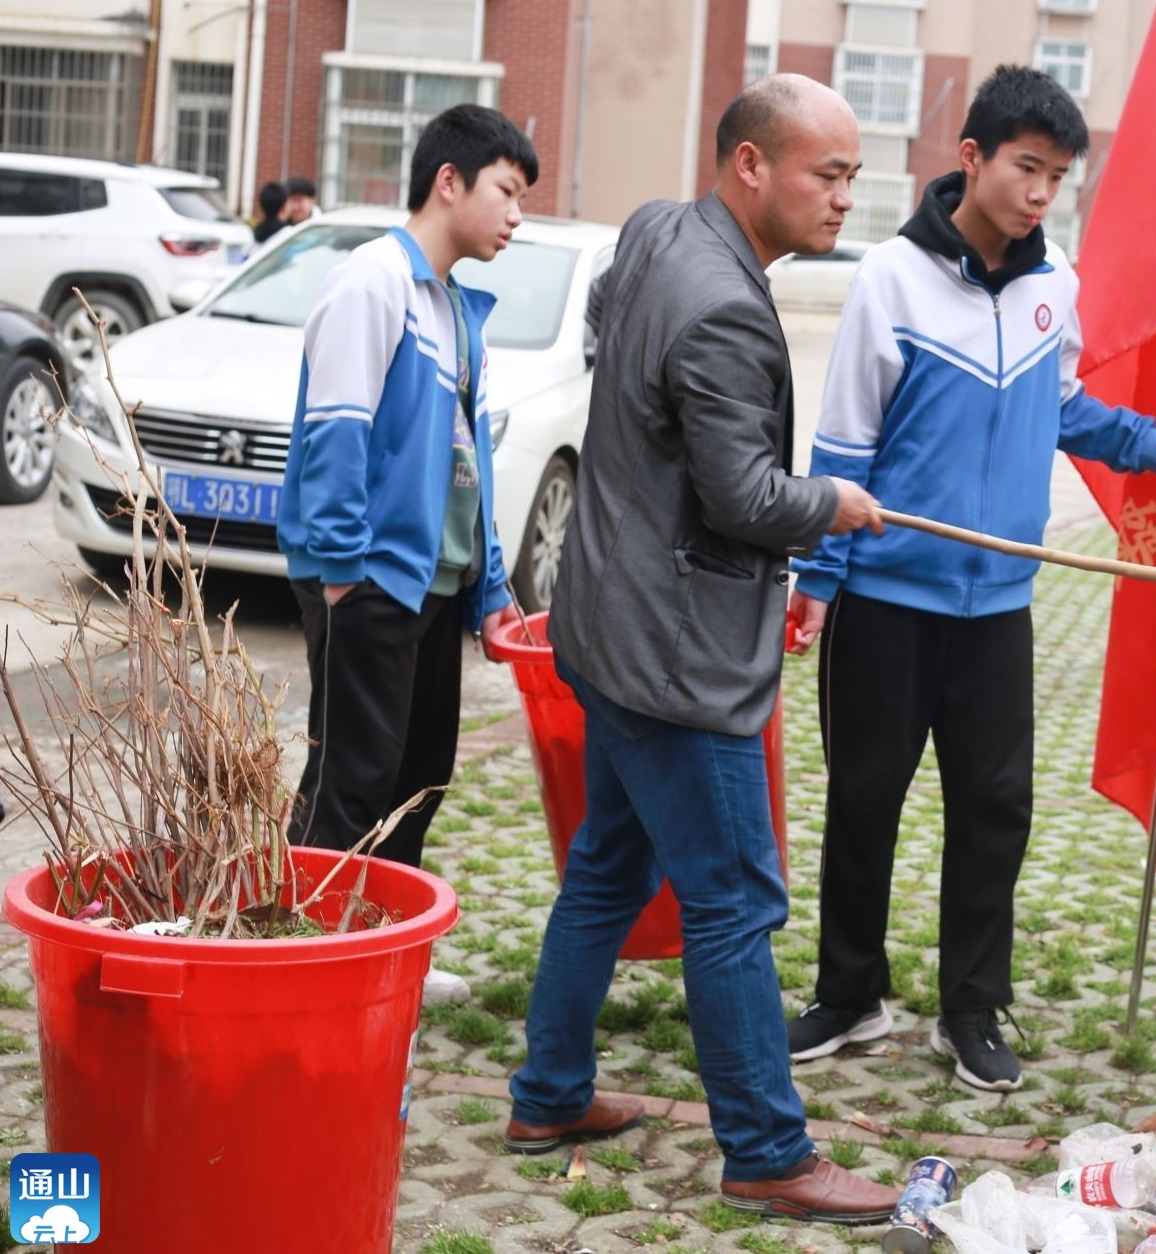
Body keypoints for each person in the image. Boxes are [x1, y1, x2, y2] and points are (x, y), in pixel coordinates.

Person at [504, 74, 899, 1225]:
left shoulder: (656, 228)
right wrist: (830, 502)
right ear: (749, 167)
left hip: (606, 624)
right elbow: (738, 497)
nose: (841, 201)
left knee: (609, 869)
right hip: (672, 660)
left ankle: (546, 1094)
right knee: (734, 900)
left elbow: (618, 364)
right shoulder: (724, 306)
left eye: (851, 179)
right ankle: (767, 1151)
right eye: (825, 176)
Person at [783, 65, 1156, 1093]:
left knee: (994, 810)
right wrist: (817, 580)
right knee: (863, 800)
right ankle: (849, 994)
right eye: (1026, 167)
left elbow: (1063, 408)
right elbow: (842, 447)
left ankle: (971, 1009)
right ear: (971, 158)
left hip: (998, 609)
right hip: (885, 602)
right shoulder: (889, 281)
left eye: (1057, 177)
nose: (1038, 194)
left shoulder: (1050, 286)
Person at [276, 104, 532, 1001]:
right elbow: (334, 436)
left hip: (434, 580)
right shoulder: (371, 283)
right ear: (448, 181)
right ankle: (309, 967)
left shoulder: (457, 306)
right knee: (353, 776)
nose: (514, 214)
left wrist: (489, 584)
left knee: (419, 776)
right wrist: (345, 574)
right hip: (372, 580)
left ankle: (384, 953)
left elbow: (470, 466)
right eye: (505, 190)